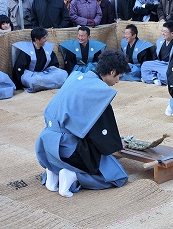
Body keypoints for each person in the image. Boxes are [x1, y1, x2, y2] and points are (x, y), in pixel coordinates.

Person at [35, 49, 130, 198]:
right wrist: (116, 144)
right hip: (66, 149)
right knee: (117, 175)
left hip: (45, 143)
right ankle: (73, 176)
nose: (118, 81)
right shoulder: (99, 91)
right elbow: (100, 131)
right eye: (119, 76)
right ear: (112, 72)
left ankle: (53, 173)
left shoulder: (76, 77)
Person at [11, 27, 67, 92]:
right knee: (35, 81)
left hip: (45, 73)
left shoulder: (46, 49)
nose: (46, 40)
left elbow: (54, 64)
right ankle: (47, 84)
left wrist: (50, 73)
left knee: (63, 74)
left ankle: (43, 85)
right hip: (31, 75)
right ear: (36, 39)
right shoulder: (26, 51)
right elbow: (19, 69)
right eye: (44, 38)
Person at [141, 21, 173, 85]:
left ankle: (152, 77)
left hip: (170, 65)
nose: (162, 33)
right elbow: (156, 56)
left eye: (165, 32)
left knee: (170, 75)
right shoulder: (161, 40)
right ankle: (154, 79)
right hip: (160, 63)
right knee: (145, 65)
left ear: (172, 33)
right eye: (162, 31)